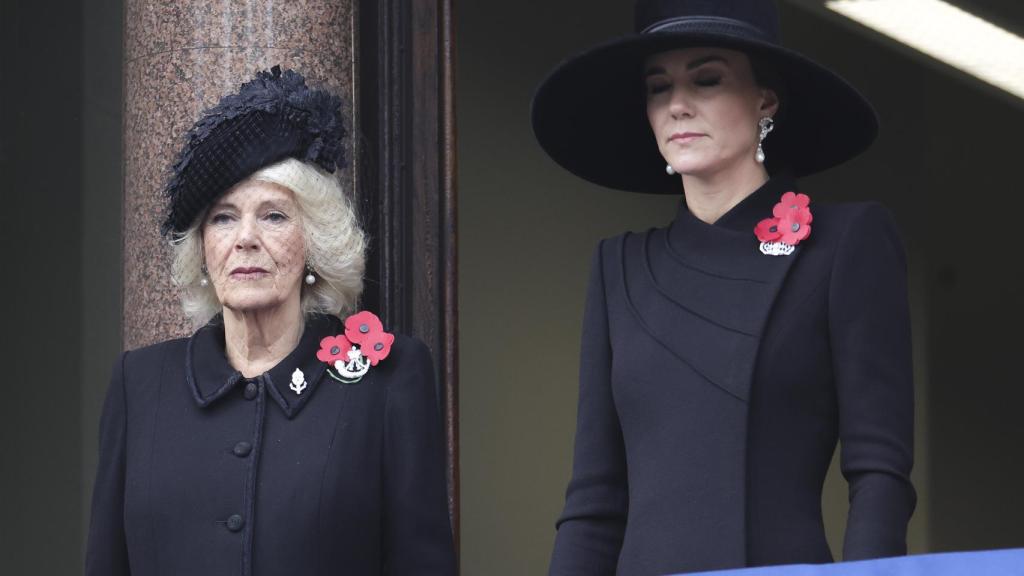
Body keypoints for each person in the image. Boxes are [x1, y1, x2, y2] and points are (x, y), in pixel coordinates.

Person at [531, 1, 916, 574]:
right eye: (658, 87)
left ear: (765, 100)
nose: (677, 105)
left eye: (706, 79)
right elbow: (594, 503)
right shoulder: (620, 267)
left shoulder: (844, 244)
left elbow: (879, 471)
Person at [85, 66, 456, 575]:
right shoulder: (140, 384)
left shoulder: (388, 381)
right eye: (223, 217)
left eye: (274, 215)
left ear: (314, 243)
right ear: (203, 250)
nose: (245, 239)